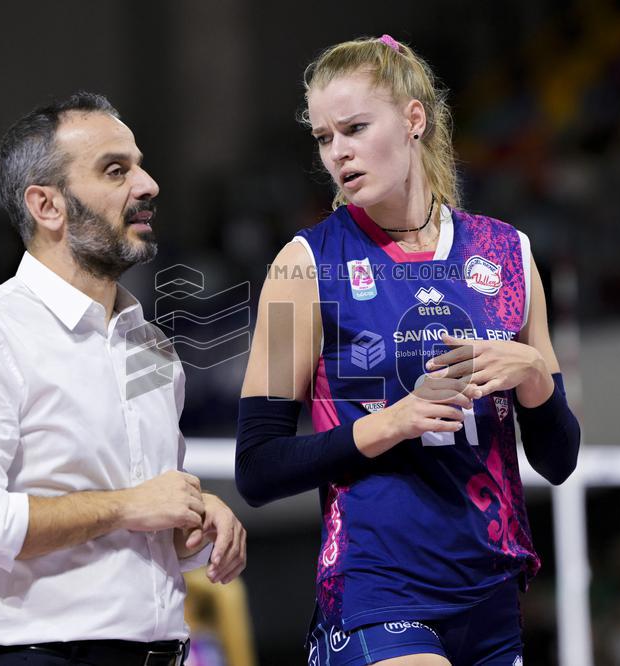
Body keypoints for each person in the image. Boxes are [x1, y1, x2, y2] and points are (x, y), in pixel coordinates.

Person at [235, 36, 580, 666]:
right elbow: (257, 468)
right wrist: (393, 422)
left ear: (414, 119)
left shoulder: (509, 254)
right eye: (323, 137)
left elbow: (558, 460)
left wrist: (533, 374)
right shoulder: (305, 263)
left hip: (491, 588)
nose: (338, 152)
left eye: (356, 128)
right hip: (377, 588)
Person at [0, 92, 246, 666]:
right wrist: (125, 507)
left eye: (139, 165)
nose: (148, 185)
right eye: (116, 170)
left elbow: (147, 504)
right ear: (46, 206)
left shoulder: (151, 346)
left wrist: (191, 523)